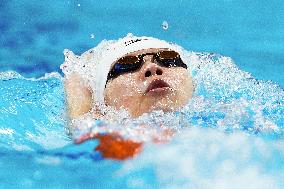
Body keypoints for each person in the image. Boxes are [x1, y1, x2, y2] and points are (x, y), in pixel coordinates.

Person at [61, 34, 194, 159]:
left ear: (193, 86)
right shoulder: (110, 145)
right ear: (102, 104)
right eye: (127, 65)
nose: (152, 67)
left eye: (169, 59)